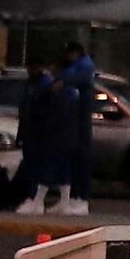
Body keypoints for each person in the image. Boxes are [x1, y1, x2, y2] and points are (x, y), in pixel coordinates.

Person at [25, 44, 100, 217]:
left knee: (51, 166)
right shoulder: (76, 82)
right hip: (69, 132)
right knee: (65, 167)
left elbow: (55, 108)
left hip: (60, 133)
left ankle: (42, 201)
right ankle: (68, 201)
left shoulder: (68, 83)